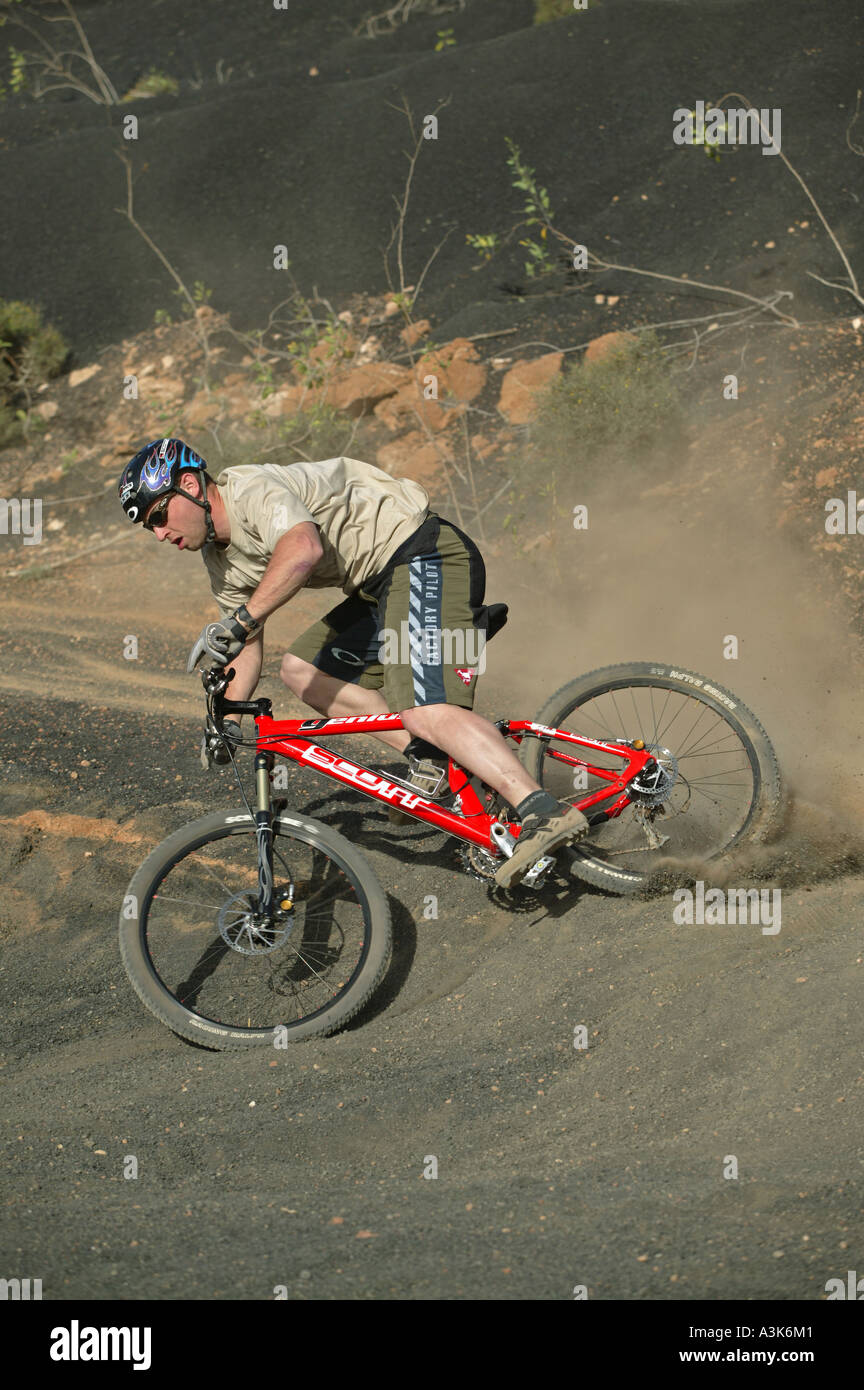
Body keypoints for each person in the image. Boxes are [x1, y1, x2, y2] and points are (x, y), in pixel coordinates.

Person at [118, 437, 588, 886]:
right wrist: (226, 717)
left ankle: (541, 810)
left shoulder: (251, 491)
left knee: (426, 708)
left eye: (159, 515)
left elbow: (303, 550)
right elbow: (247, 642)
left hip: (421, 554)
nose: (160, 534)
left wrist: (239, 621)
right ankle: (434, 757)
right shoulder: (221, 564)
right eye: (148, 528)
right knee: (302, 671)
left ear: (191, 486)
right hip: (377, 586)